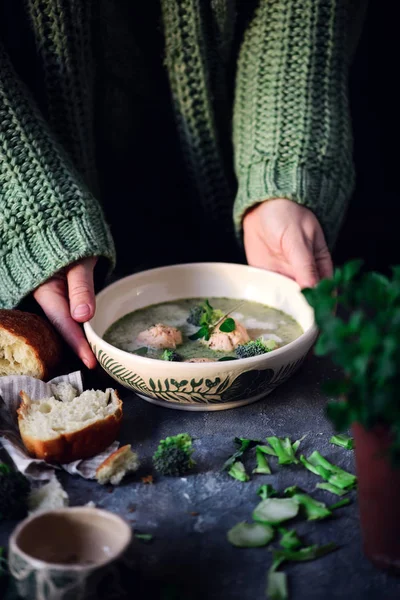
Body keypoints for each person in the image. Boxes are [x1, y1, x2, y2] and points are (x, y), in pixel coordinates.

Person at [0, 0, 365, 369]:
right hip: (47, 171)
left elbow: (299, 16)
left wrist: (283, 173)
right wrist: (28, 207)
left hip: (241, 188)